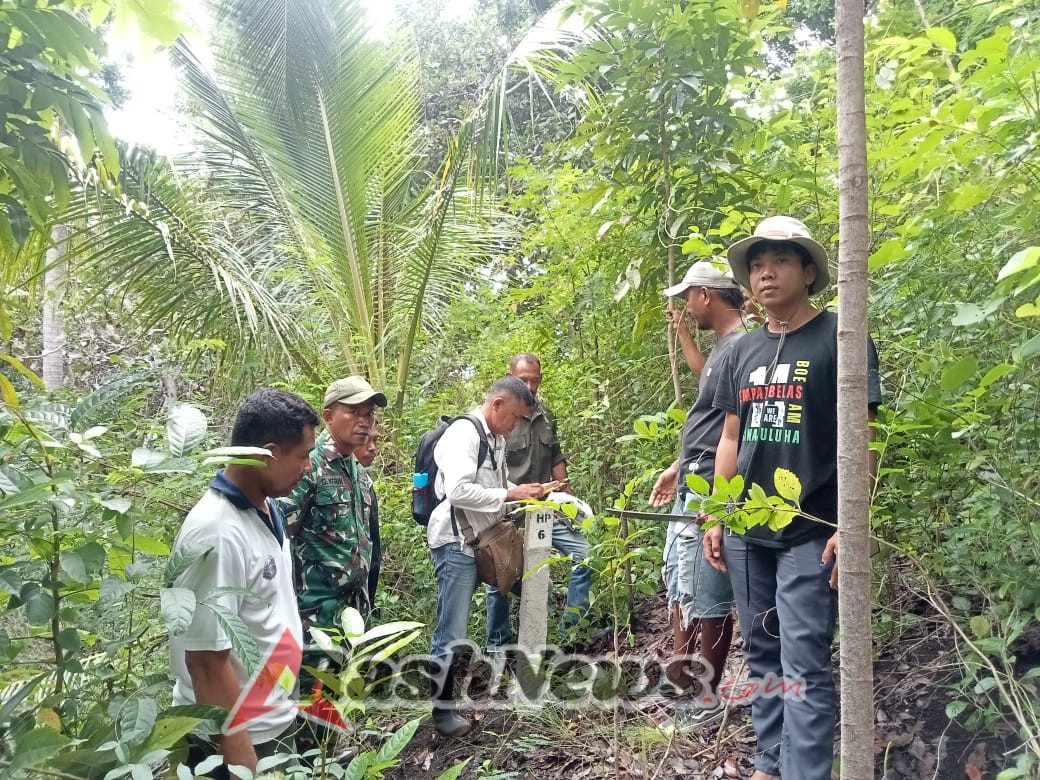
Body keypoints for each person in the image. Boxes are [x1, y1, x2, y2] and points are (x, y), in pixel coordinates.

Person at [703, 216, 881, 780]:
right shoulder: (742, 351)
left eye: (779, 261)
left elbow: (865, 437)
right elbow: (731, 437)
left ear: (808, 271)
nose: (765, 274)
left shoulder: (839, 337)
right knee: (761, 651)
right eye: (756, 266)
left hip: (811, 527)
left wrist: (852, 523)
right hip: (747, 531)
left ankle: (805, 771)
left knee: (803, 656)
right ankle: (770, 762)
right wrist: (718, 515)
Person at [170, 389, 319, 775]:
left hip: (269, 718)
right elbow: (204, 659)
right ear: (268, 453)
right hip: (234, 739)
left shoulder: (265, 508)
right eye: (303, 456)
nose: (307, 468)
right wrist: (239, 756)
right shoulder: (217, 532)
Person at [649, 259, 747, 726]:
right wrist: (677, 466)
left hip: (713, 487)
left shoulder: (743, 346)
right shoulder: (725, 351)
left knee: (708, 593)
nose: (687, 305)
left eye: (688, 297)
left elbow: (736, 431)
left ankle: (704, 699)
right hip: (695, 478)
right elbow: (709, 410)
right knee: (682, 585)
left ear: (705, 295)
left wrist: (720, 497)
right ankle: (682, 686)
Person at [427, 376, 546, 737]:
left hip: (483, 541)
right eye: (514, 417)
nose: (515, 427)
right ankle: (442, 711)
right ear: (497, 404)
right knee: (453, 630)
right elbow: (459, 490)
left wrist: (523, 491)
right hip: (456, 543)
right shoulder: (464, 435)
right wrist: (510, 497)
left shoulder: (493, 438)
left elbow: (495, 486)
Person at [489, 353, 591, 649]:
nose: (530, 385)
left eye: (535, 379)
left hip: (544, 510)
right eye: (523, 380)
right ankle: (498, 646)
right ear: (510, 378)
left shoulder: (546, 415)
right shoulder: (501, 420)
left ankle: (570, 633)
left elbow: (556, 459)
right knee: (502, 576)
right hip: (509, 512)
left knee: (586, 556)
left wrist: (570, 501)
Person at [352, 425, 381, 613]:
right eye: (365, 440)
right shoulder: (321, 472)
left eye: (375, 440)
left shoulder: (364, 479)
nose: (372, 448)